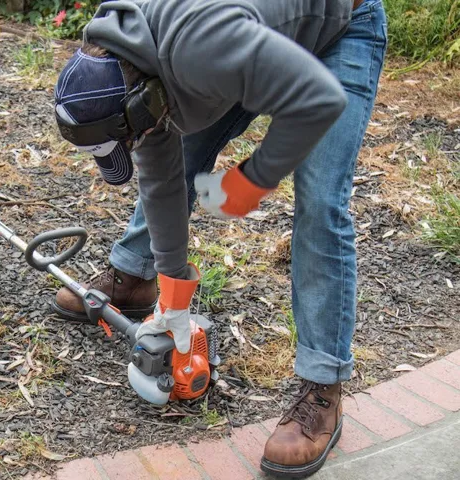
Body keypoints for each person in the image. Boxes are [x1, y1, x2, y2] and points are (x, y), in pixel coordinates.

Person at [50, 0, 387, 477]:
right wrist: (175, 298)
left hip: (339, 29)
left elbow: (319, 100)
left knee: (322, 202)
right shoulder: (128, 66)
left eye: (127, 137)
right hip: (243, 51)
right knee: (183, 150)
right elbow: (162, 175)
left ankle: (323, 388)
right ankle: (139, 281)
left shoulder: (202, 45)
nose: (132, 145)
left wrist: (251, 181)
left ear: (139, 100)